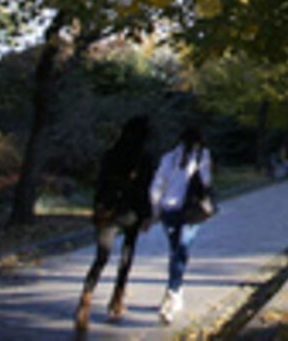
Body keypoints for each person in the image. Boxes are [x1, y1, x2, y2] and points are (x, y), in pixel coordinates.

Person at [75, 115, 154, 333]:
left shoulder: (110, 154)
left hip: (108, 210)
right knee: (126, 256)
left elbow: (100, 183)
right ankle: (117, 300)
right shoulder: (144, 158)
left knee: (101, 257)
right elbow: (144, 190)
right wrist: (147, 215)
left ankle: (86, 298)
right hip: (131, 212)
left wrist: (98, 207)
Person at [149, 126, 213, 324]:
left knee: (175, 251)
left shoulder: (168, 157)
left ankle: (176, 291)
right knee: (181, 251)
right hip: (191, 211)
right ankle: (173, 293)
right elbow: (206, 181)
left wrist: (155, 208)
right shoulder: (202, 156)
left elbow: (157, 184)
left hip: (169, 211)